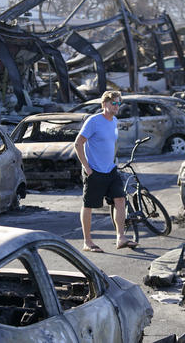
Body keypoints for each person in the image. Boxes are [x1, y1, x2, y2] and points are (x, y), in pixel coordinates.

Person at [74, 90, 137, 253]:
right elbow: (78, 144)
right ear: (104, 104)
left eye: (118, 103)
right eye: (113, 103)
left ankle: (120, 238)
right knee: (89, 205)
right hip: (94, 171)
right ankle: (87, 242)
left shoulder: (114, 121)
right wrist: (87, 167)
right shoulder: (93, 121)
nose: (116, 106)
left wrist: (114, 160)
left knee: (120, 199)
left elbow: (112, 142)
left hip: (110, 169)